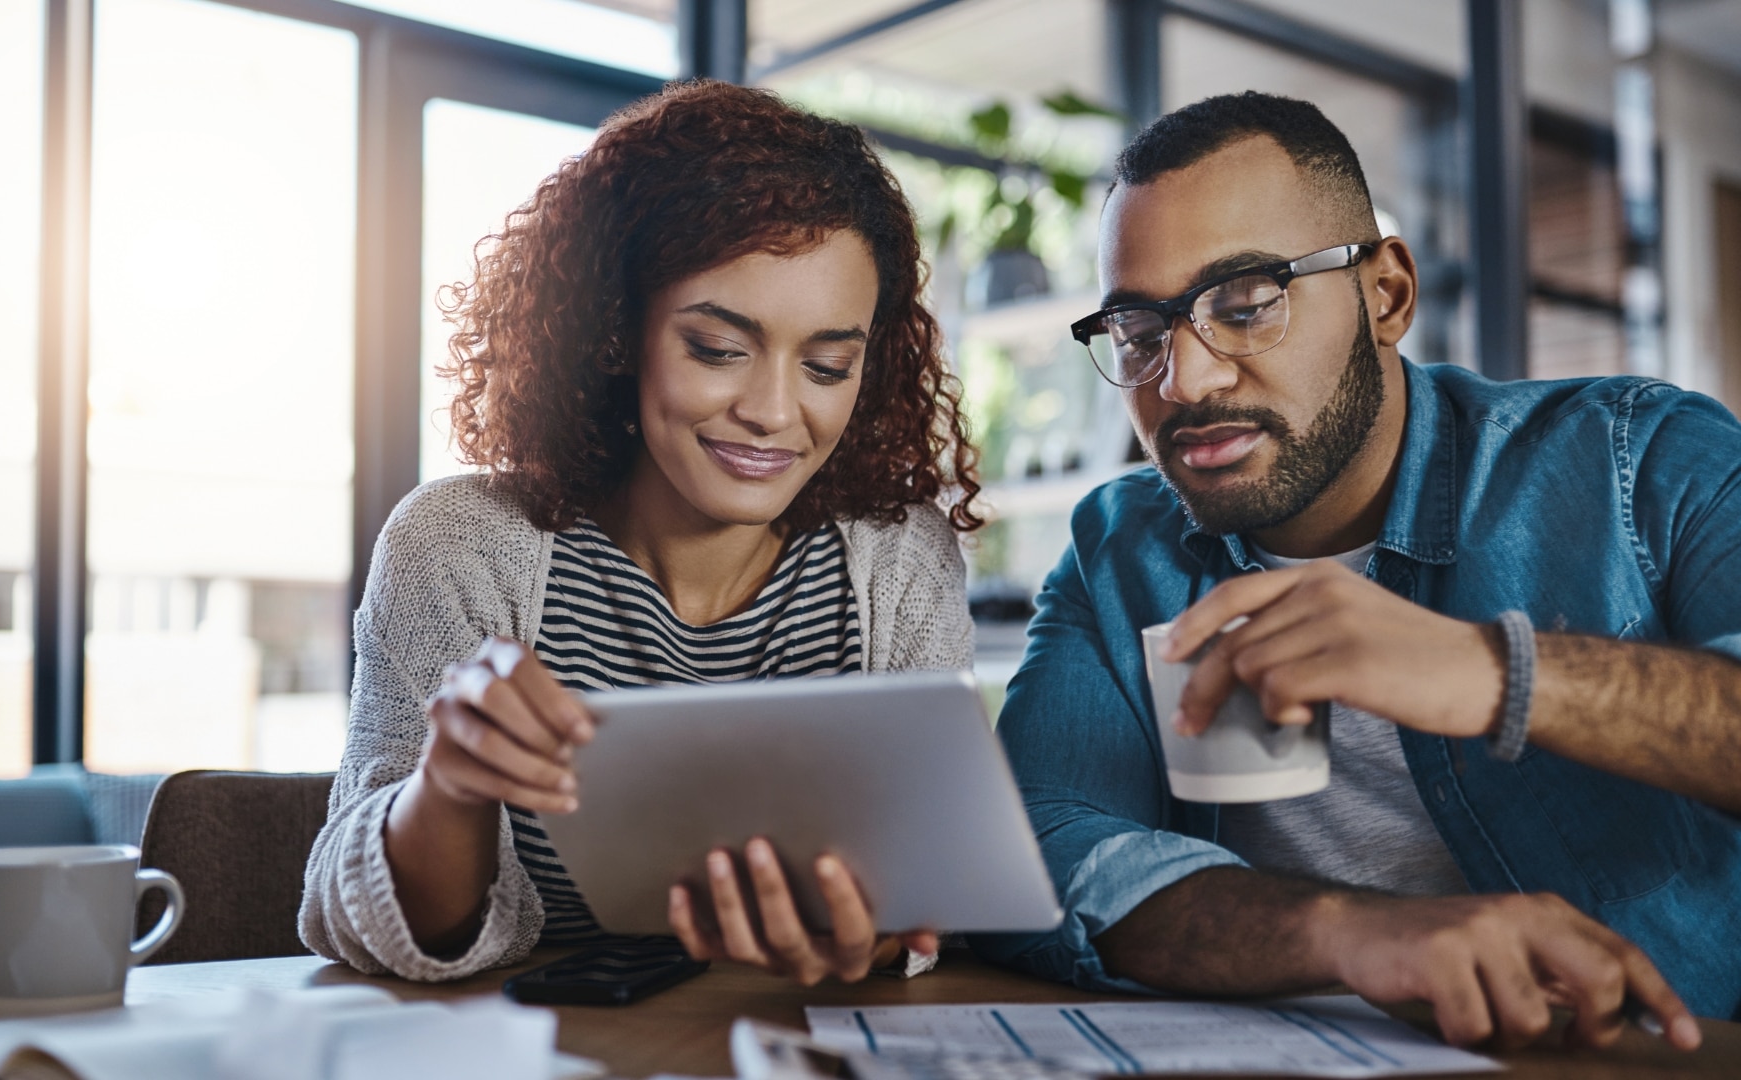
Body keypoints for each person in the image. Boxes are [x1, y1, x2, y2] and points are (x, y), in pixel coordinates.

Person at [971, 91, 1741, 1049]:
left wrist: (1493, 672)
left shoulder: (1644, 459)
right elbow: (1035, 847)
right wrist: (1353, 935)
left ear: (1388, 295)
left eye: (1246, 306)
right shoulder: (1121, 548)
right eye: (1138, 332)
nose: (1187, 381)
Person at [299, 80, 981, 987]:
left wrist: (887, 931)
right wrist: (451, 788)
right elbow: (367, 926)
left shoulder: (900, 560)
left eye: (828, 364)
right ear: (616, 330)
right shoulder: (458, 545)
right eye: (717, 349)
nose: (775, 411)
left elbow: (931, 891)